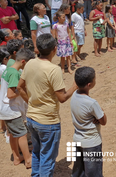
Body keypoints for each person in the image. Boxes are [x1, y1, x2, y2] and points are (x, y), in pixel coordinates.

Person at [17, 33, 78, 177]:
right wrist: (74, 86)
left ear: (37, 48)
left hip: (32, 118)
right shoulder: (53, 69)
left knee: (37, 153)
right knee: (47, 158)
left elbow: (19, 87)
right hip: (48, 122)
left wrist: (31, 102)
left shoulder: (30, 62)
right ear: (55, 49)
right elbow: (62, 97)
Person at [0, 48, 35, 168]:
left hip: (4, 108)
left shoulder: (8, 69)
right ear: (23, 62)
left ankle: (17, 157)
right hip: (11, 109)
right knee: (22, 134)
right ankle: (28, 159)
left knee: (13, 134)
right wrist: (21, 90)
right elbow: (10, 94)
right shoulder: (14, 73)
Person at [71, 67, 107, 177]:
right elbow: (103, 121)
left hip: (77, 139)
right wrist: (102, 112)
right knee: (93, 173)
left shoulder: (74, 95)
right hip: (91, 143)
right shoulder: (92, 103)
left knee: (79, 171)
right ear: (89, 84)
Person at [0, 47, 10, 135]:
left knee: (1, 106)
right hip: (3, 89)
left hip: (2, 89)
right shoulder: (4, 68)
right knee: (4, 106)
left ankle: (2, 127)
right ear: (5, 59)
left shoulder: (1, 66)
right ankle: (4, 128)